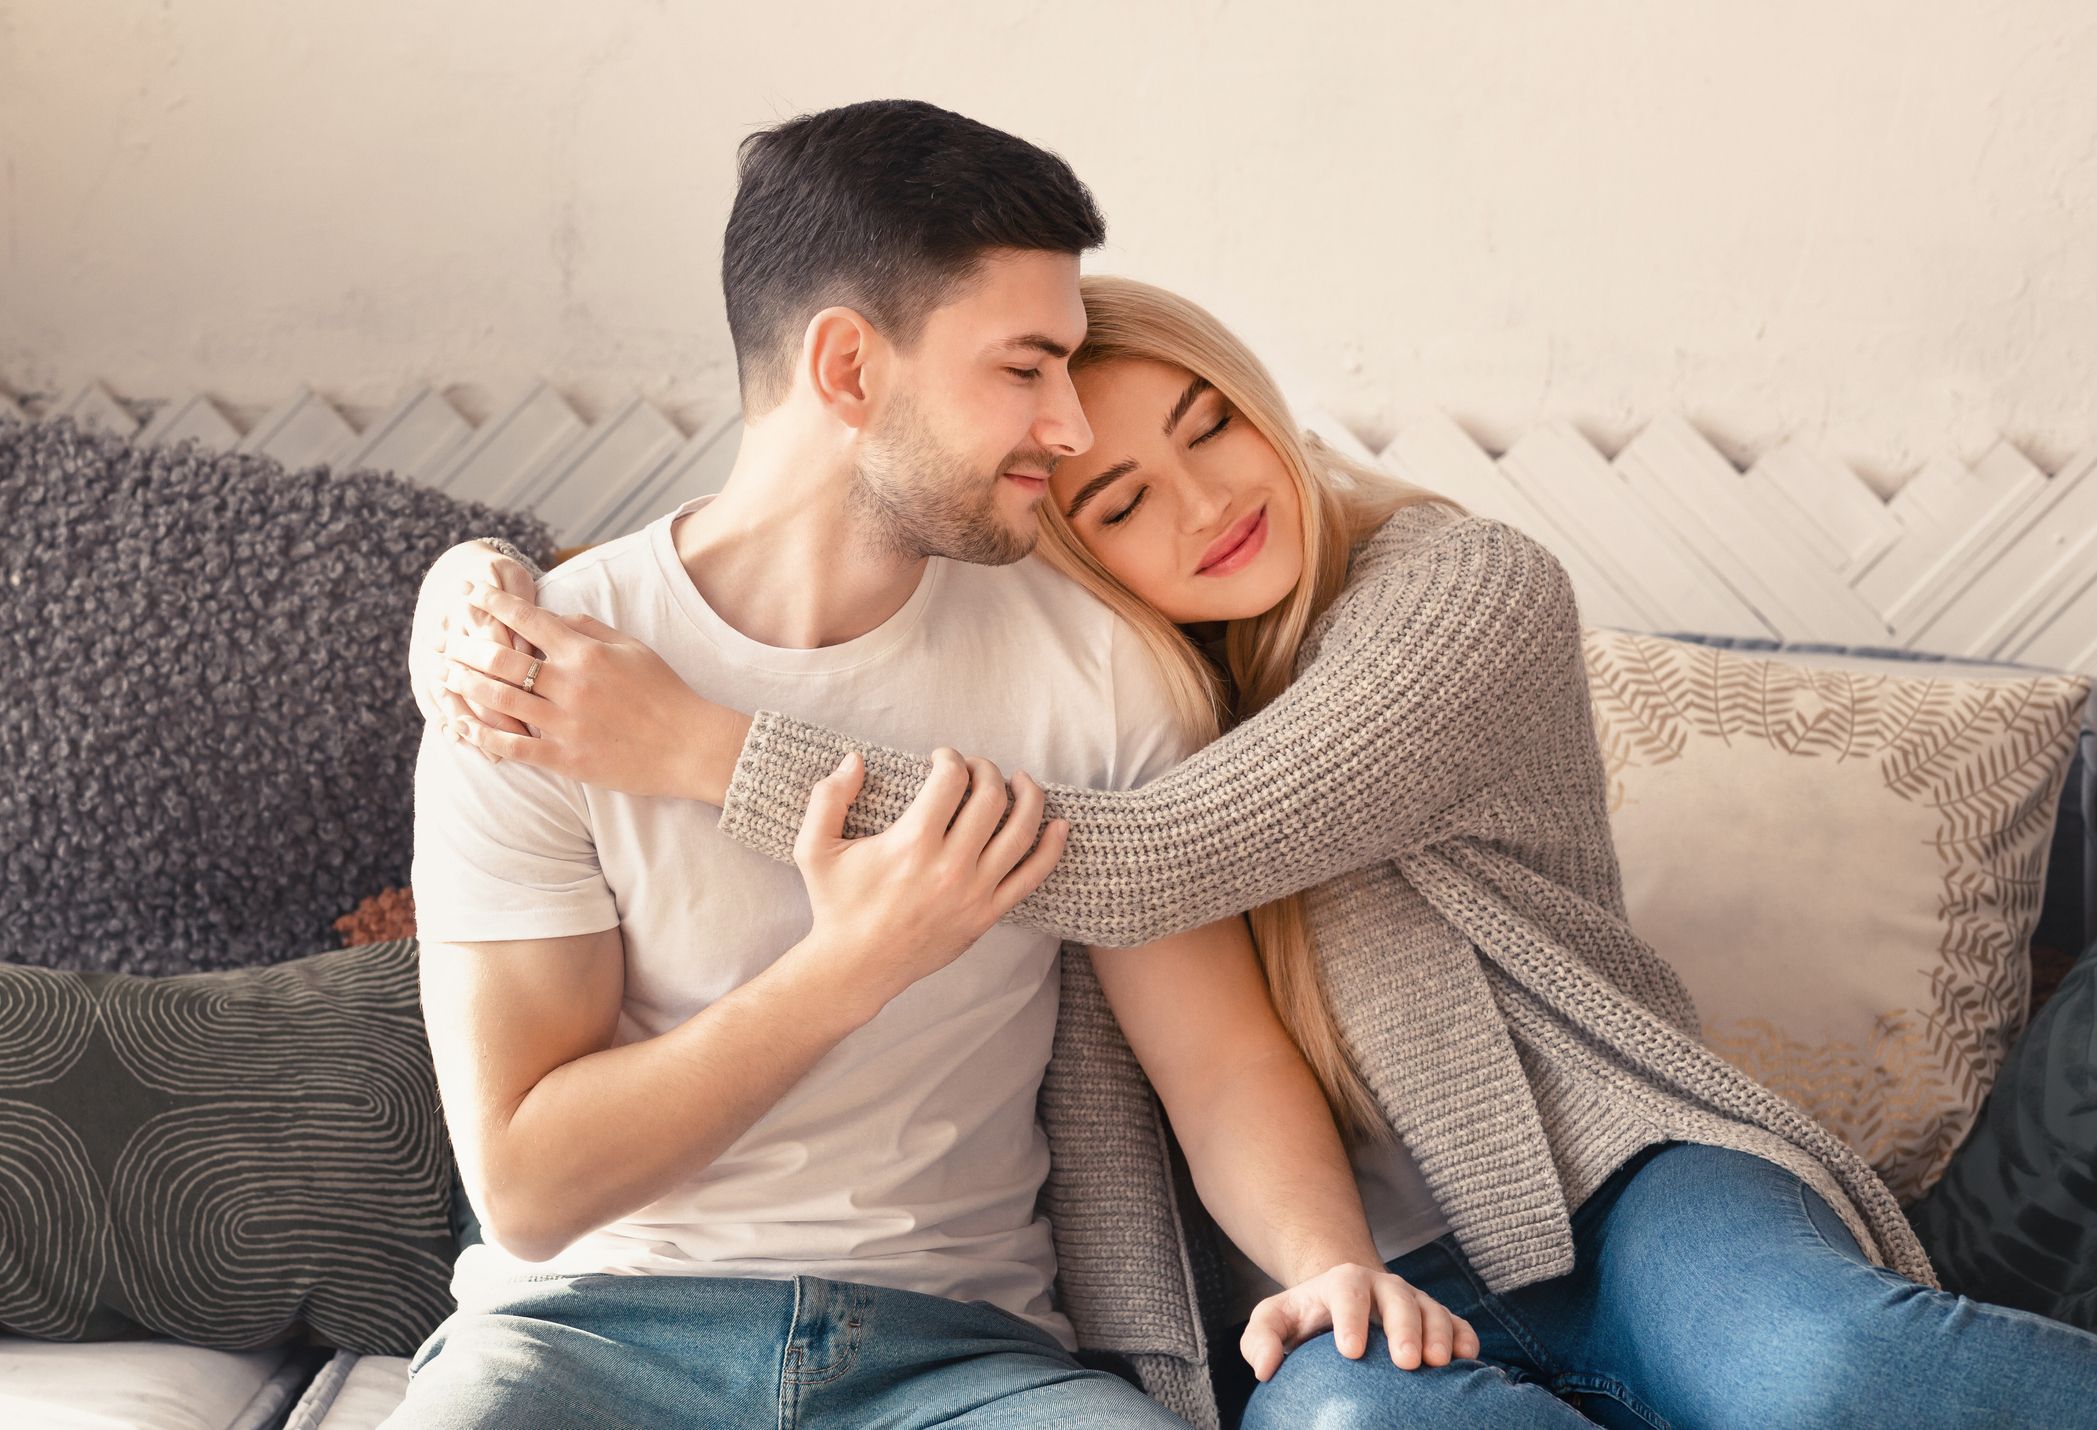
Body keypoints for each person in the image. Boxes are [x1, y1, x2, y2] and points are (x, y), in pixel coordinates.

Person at [416, 269, 2097, 1428]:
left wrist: (701, 751)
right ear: (1056, 555)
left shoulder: (1454, 590)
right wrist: (467, 597)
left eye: (1208, 424)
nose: (1205, 500)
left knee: (1819, 1379)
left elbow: (1151, 857)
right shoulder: (1085, 689)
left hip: (1611, 1188)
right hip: (1318, 1279)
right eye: (1120, 501)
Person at [396, 99, 1480, 1430]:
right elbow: (528, 1181)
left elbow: (1218, 1061)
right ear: (850, 370)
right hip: (584, 1338)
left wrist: (1331, 1270)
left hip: (956, 1360)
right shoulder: (539, 680)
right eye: (1025, 369)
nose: (1071, 426)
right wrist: (850, 967)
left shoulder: (1095, 671)